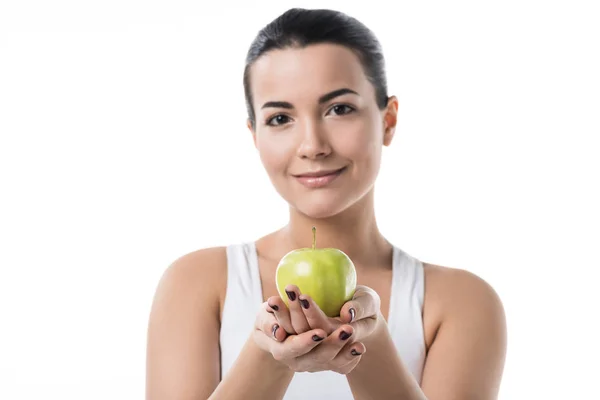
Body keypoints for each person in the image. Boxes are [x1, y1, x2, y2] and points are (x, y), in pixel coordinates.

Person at [145, 7, 507, 400]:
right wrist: (269, 354)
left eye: (339, 109)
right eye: (281, 118)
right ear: (255, 135)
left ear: (388, 120)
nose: (313, 146)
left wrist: (372, 346)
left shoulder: (461, 302)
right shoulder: (197, 283)